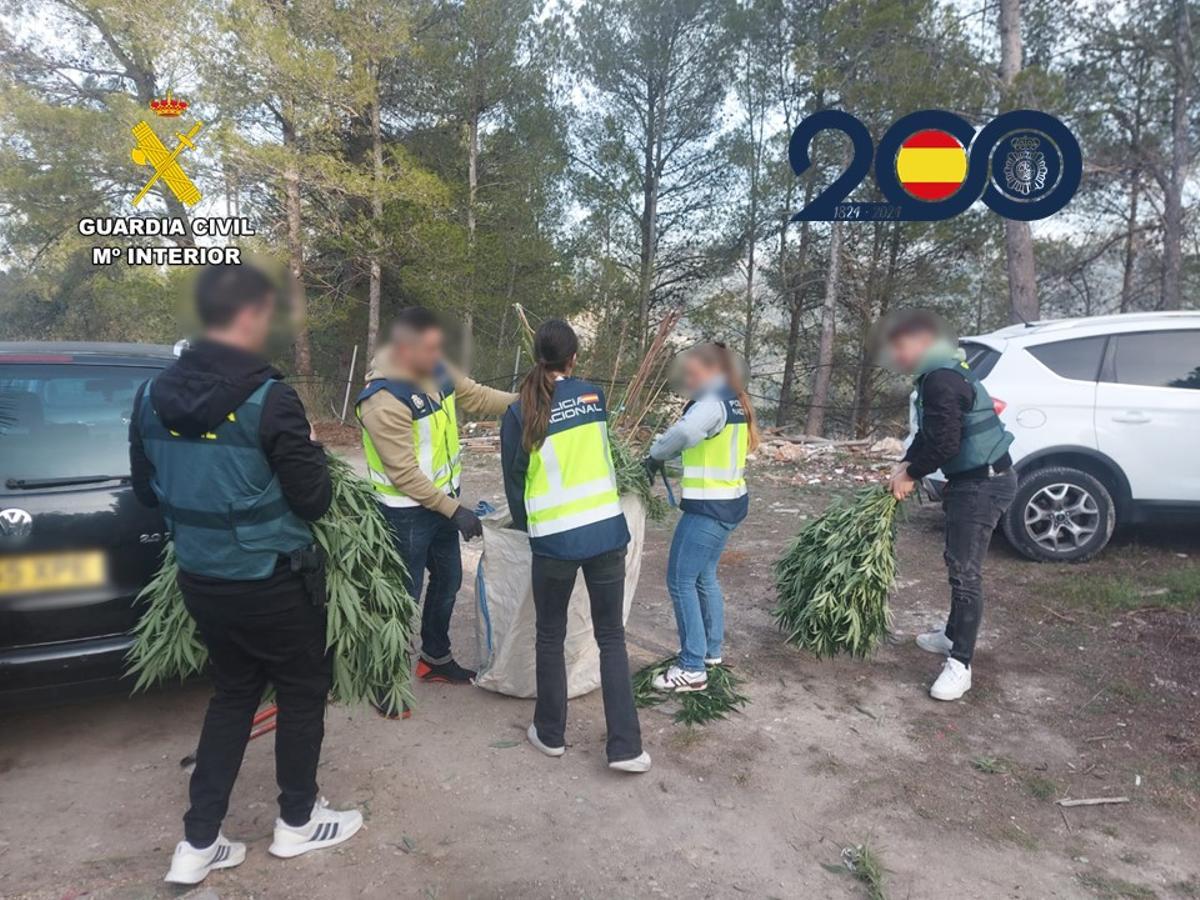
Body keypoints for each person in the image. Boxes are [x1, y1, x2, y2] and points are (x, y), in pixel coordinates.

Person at [129, 264, 360, 886]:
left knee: (232, 694)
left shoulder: (149, 396)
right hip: (273, 580)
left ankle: (198, 844)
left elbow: (146, 494)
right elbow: (314, 501)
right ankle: (297, 823)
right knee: (302, 690)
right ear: (251, 315)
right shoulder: (270, 399)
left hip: (201, 580)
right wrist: (309, 446)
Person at [499, 319, 650, 773]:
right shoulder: (593, 397)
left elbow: (514, 480)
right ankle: (626, 748)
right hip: (606, 533)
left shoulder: (518, 410)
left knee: (550, 635)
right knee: (612, 639)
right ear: (574, 358)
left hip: (554, 542)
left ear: (535, 356)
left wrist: (530, 526)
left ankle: (550, 734)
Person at [355, 307, 515, 707]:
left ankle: (435, 658)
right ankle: (384, 678)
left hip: (442, 503)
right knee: (401, 596)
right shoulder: (383, 400)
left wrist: (527, 401)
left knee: (447, 581)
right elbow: (404, 473)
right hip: (404, 512)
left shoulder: (435, 369)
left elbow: (477, 395)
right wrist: (454, 510)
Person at [884, 310, 1017, 702]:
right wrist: (906, 462)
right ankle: (951, 635)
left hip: (984, 483)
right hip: (970, 481)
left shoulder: (941, 379)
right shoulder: (937, 374)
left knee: (965, 573)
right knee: (956, 560)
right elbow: (930, 434)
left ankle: (961, 664)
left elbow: (946, 445)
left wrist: (911, 475)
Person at [643, 342, 758, 693]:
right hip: (730, 501)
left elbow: (686, 433)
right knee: (704, 576)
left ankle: (691, 667)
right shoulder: (733, 398)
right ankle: (710, 651)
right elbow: (706, 448)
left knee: (680, 580)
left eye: (692, 371)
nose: (688, 378)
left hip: (709, 509)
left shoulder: (711, 401)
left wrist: (656, 453)